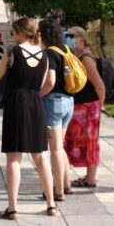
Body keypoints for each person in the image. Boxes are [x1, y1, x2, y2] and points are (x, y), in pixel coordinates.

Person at [0, 17, 58, 219]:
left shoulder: (12, 52)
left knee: (14, 157)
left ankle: (12, 208)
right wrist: (36, 95)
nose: (12, 36)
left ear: (20, 32)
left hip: (15, 103)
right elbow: (50, 82)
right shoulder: (46, 54)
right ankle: (51, 205)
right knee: (41, 156)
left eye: (13, 32)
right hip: (35, 103)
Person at [64, 27, 105, 188]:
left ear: (82, 38)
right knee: (79, 141)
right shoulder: (77, 56)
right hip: (81, 107)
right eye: (68, 36)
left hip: (89, 107)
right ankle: (88, 176)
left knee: (90, 141)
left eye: (72, 36)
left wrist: (99, 108)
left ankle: (91, 178)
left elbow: (100, 86)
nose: (69, 39)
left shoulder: (86, 58)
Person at [39, 17, 75, 201]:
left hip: (54, 102)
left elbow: (51, 81)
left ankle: (58, 191)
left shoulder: (50, 53)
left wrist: (38, 95)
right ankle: (67, 184)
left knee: (55, 149)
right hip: (69, 101)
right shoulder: (66, 49)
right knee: (60, 147)